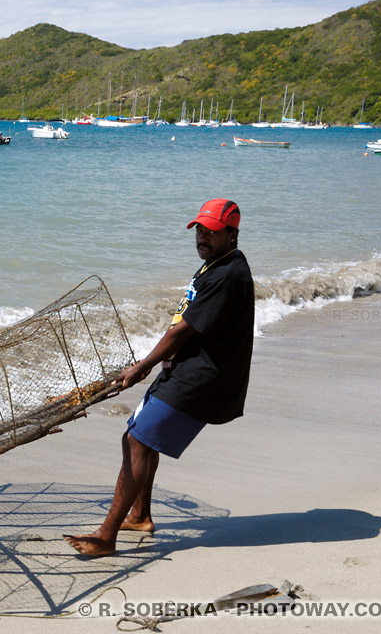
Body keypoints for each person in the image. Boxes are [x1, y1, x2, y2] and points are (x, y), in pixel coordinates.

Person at [64, 198, 255, 557]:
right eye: (199, 229)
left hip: (203, 377)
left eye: (211, 231)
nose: (202, 236)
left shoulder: (228, 274)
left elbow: (182, 330)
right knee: (139, 439)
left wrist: (142, 364)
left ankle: (106, 536)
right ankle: (140, 516)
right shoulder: (217, 264)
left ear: (232, 234)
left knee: (137, 441)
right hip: (188, 368)